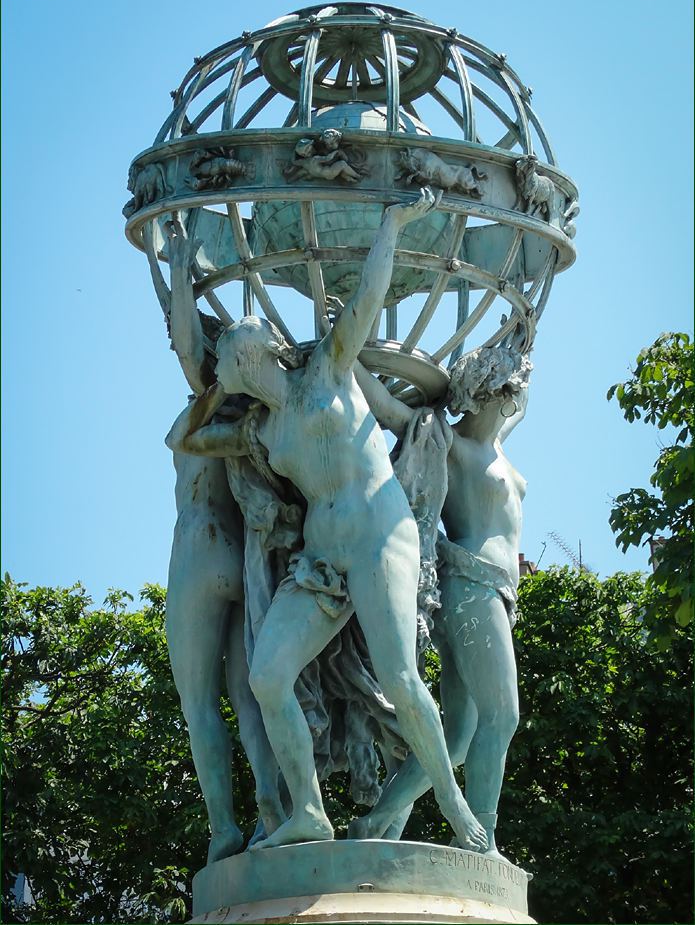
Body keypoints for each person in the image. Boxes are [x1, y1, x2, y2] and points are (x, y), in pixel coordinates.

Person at [165, 189, 489, 853]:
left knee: (401, 678)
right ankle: (308, 809)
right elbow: (185, 441)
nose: (220, 365)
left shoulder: (328, 372)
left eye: (227, 357)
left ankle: (455, 809)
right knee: (266, 675)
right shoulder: (261, 428)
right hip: (321, 559)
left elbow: (368, 299)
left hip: (378, 538)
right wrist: (213, 395)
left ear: (253, 356)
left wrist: (393, 225)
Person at [348, 347, 531, 858]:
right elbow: (388, 410)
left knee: (455, 737)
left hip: (495, 594)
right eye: (506, 391)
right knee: (503, 716)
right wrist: (344, 346)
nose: (511, 401)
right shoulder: (449, 442)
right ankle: (482, 840)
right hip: (471, 584)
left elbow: (525, 389)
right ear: (484, 392)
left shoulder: (497, 445)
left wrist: (519, 331)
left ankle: (379, 818)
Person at [164, 223, 286, 863]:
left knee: (199, 704)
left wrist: (181, 275)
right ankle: (272, 812)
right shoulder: (259, 422)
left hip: (197, 552)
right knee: (249, 696)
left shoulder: (207, 408)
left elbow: (182, 341)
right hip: (245, 562)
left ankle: (222, 829)